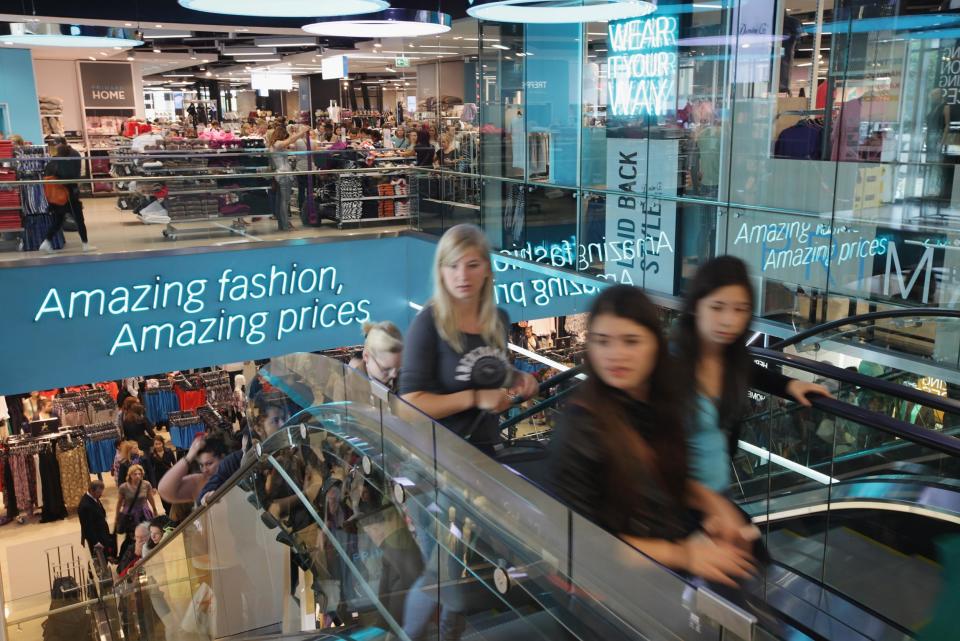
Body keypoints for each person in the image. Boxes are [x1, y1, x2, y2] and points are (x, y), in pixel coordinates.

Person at [548, 285, 757, 587]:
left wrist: (712, 503)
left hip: (661, 575)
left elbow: (659, 478)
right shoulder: (581, 426)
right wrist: (683, 554)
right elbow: (581, 540)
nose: (615, 355)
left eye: (631, 341)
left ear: (655, 345)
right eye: (602, 341)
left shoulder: (658, 402)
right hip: (616, 594)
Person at [672, 256, 831, 497]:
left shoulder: (730, 354)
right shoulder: (670, 363)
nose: (729, 320)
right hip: (681, 501)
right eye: (717, 307)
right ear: (695, 306)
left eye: (740, 309)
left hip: (719, 491)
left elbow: (752, 371)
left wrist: (790, 385)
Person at [400, 224, 539, 452]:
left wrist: (515, 378)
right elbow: (408, 406)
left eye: (472, 265)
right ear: (441, 272)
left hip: (488, 449)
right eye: (453, 266)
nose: (462, 275)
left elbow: (484, 368)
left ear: (487, 270)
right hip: (443, 457)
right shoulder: (427, 324)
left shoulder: (498, 320)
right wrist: (474, 397)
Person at [39, 141, 93, 253]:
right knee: (79, 219)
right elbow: (72, 177)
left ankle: (46, 242)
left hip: (56, 197)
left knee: (58, 220)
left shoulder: (54, 161)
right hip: (68, 195)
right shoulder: (69, 160)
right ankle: (85, 244)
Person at [158, 433, 229, 507]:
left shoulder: (234, 469)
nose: (205, 470)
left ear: (222, 458)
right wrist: (189, 457)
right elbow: (164, 490)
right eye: (201, 465)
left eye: (209, 464)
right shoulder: (199, 481)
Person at [268, 124, 310, 231]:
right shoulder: (277, 144)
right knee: (284, 202)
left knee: (281, 201)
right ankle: (285, 225)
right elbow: (290, 141)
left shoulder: (274, 145)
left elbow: (290, 143)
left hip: (281, 174)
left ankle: (283, 225)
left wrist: (295, 133)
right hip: (284, 175)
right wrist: (302, 132)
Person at [349, 321, 404, 390]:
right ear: (366, 357)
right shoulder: (345, 388)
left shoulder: (408, 381)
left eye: (398, 367)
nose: (394, 374)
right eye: (386, 369)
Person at [78, 480, 113, 559]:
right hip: (95, 539)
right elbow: (87, 527)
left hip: (101, 534)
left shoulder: (94, 497)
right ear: (91, 490)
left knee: (104, 558)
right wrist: (95, 542)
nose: (101, 495)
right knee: (97, 561)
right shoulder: (85, 506)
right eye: (99, 493)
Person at [146, 436, 176, 514]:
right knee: (163, 497)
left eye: (159, 443)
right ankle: (168, 512)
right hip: (158, 478)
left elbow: (175, 464)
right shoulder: (151, 455)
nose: (158, 446)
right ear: (153, 445)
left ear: (163, 443)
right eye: (156, 444)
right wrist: (153, 485)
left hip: (170, 476)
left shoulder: (169, 451)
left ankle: (176, 511)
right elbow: (150, 470)